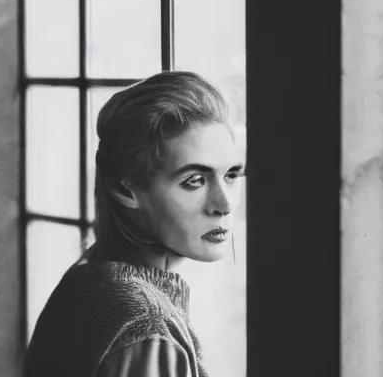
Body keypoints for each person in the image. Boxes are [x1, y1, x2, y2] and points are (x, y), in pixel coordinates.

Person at [24, 71, 245, 377]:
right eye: (194, 180)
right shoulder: (148, 326)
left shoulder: (87, 277)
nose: (224, 204)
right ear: (124, 189)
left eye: (232, 175)